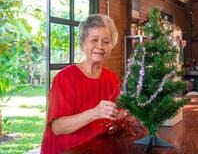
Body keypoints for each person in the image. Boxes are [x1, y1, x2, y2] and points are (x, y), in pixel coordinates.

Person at [41, 14, 132, 154]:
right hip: (68, 150)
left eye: (106, 41)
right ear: (83, 43)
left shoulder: (111, 78)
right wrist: (95, 113)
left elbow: (114, 116)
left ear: (111, 46)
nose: (100, 46)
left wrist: (125, 116)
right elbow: (57, 127)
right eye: (94, 40)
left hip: (98, 148)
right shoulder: (65, 78)